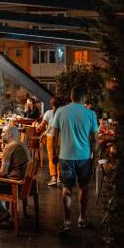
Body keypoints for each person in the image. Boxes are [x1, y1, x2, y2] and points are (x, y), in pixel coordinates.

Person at [52, 86, 99, 233]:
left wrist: (54, 153)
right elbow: (95, 140)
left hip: (65, 157)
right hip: (84, 157)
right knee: (84, 188)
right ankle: (82, 219)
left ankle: (67, 222)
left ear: (71, 97)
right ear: (83, 98)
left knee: (67, 188)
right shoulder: (90, 114)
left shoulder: (60, 111)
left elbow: (54, 136)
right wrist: (95, 156)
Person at [36, 96, 63, 186]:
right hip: (62, 138)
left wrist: (38, 128)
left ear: (52, 104)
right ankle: (60, 178)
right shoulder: (64, 114)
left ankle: (53, 178)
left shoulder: (48, 113)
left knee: (52, 157)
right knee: (60, 157)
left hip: (51, 138)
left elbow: (42, 126)